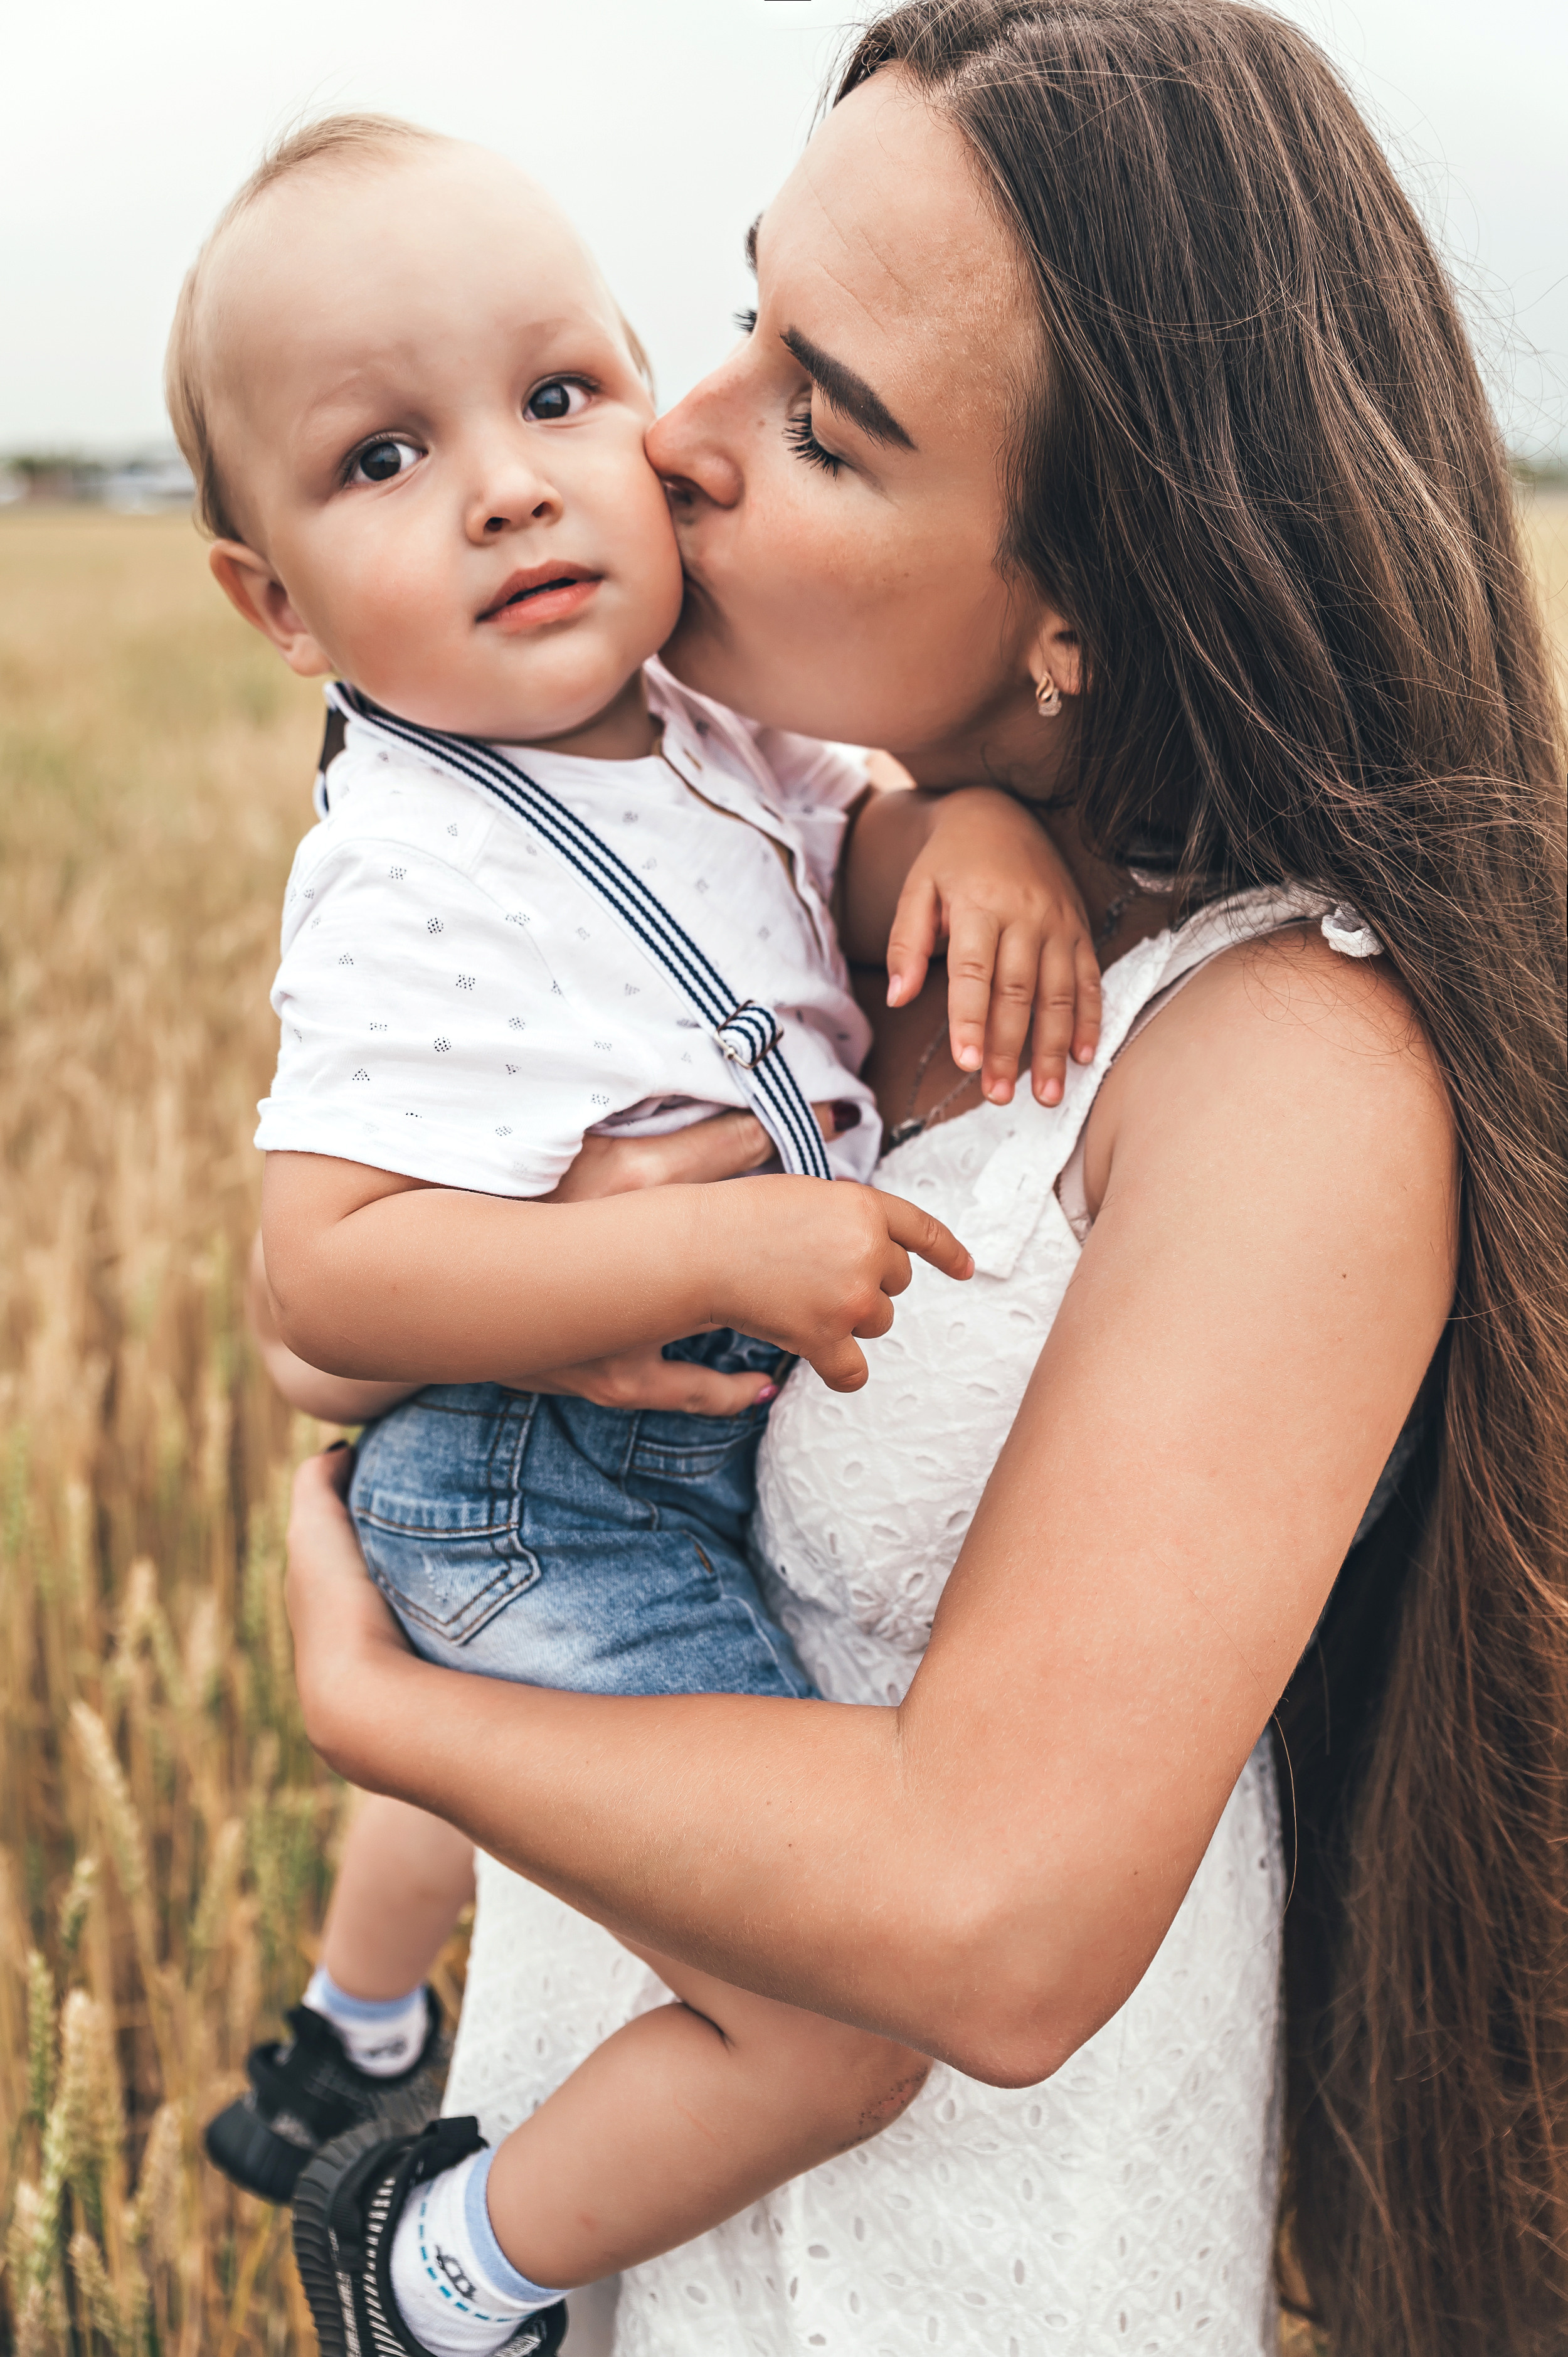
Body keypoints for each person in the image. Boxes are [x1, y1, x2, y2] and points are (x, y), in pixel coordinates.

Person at [280, 4, 1567, 2353]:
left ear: (1087, 595)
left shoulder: (1277, 1070)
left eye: (820, 418)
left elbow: (996, 1925)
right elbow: (325, 1302)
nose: (673, 431)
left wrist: (384, 1717)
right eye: (746, 306)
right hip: (610, 2155)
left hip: (940, 2276)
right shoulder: (770, 891)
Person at [166, 114, 1111, 2356]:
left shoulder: (702, 727)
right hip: (539, 1484)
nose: (505, 483)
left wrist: (966, 826)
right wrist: (697, 1254)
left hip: (650, 1458)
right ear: (275, 604)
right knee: (829, 2027)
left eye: (560, 397)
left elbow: (852, 861)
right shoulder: (407, 869)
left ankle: (368, 2033)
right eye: (385, 458)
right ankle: (434, 2270)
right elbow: (328, 1276)